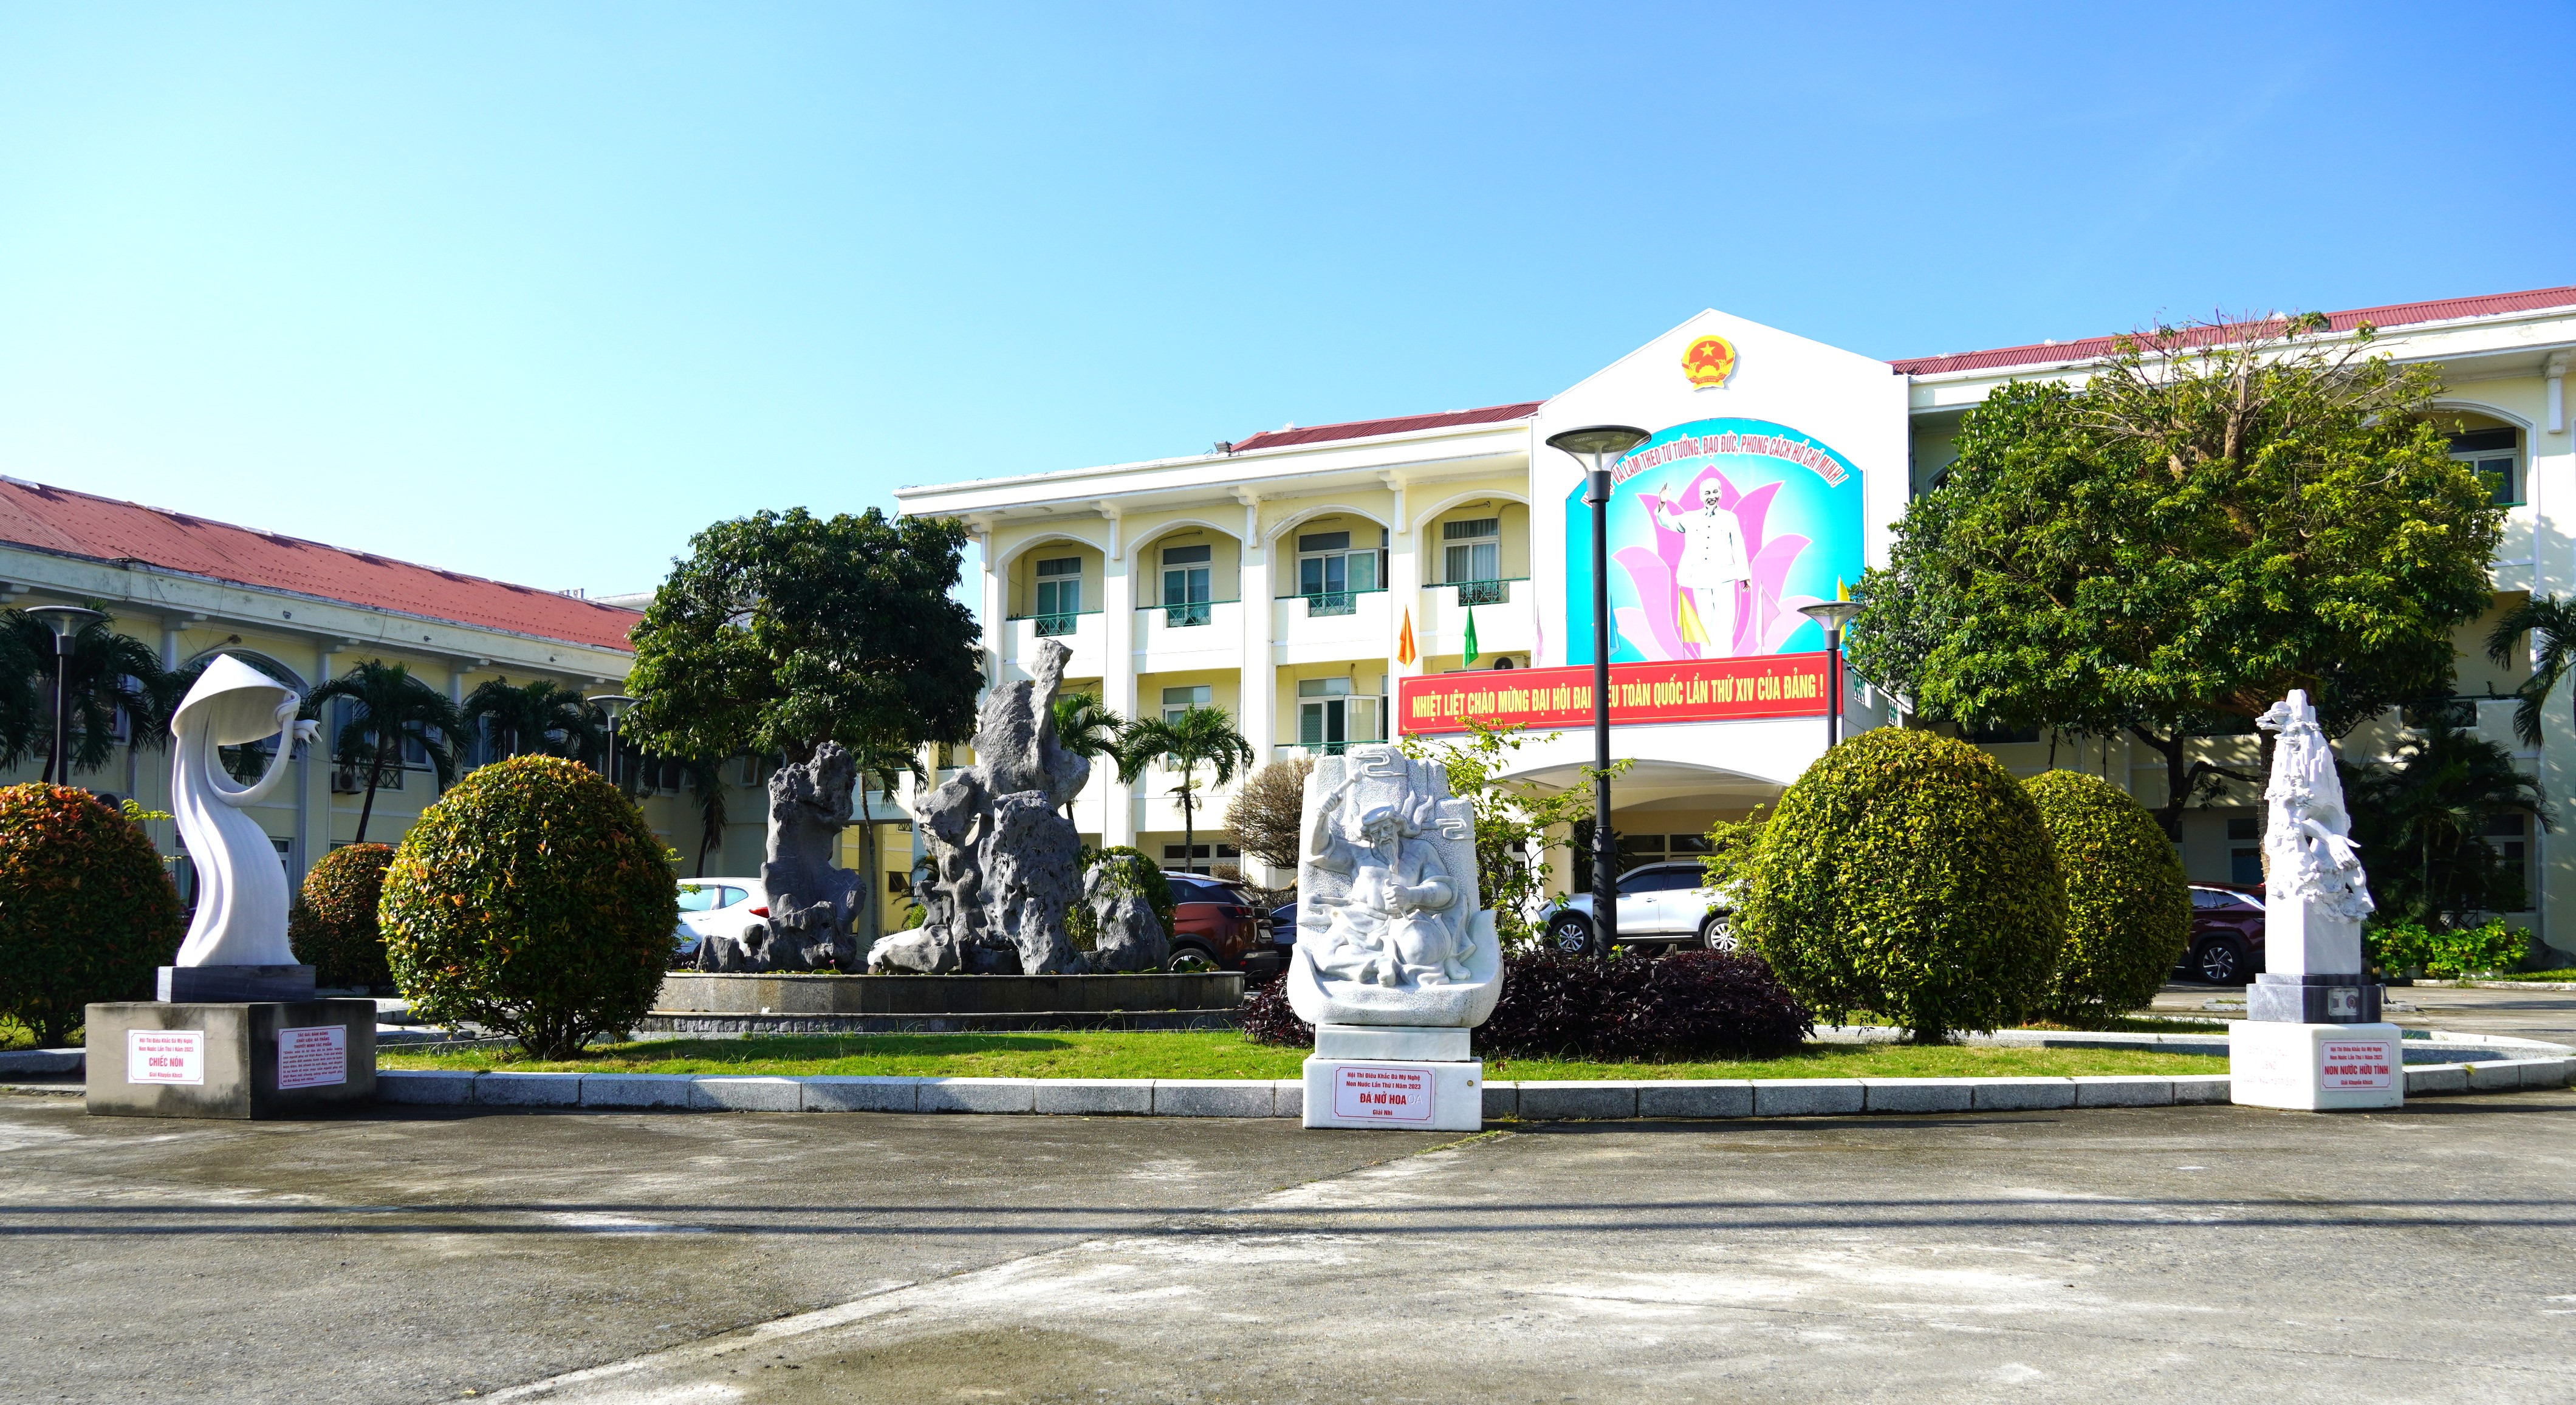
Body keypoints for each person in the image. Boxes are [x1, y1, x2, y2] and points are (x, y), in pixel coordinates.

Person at [1304, 776, 1466, 986]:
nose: (1384, 836)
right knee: (1324, 956)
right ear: (1369, 836)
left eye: (1387, 828)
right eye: (1376, 832)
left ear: (1397, 826)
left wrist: (1411, 895)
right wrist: (1321, 815)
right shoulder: (1357, 854)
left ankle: (1398, 966)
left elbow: (1445, 890)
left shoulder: (1421, 850)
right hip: (1360, 921)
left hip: (1406, 921)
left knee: (1421, 949)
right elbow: (1319, 852)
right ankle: (1379, 964)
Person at [1652, 484, 1750, 655]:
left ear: (1720, 493)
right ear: (1701, 496)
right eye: (1707, 493)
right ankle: (1707, 663)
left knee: (1725, 623)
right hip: (1700, 578)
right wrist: (1662, 503)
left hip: (1724, 578)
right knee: (1705, 624)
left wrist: (1744, 575)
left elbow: (1738, 546)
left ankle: (1726, 662)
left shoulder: (1730, 518)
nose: (1712, 496)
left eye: (1715, 492)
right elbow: (1668, 522)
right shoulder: (1691, 518)